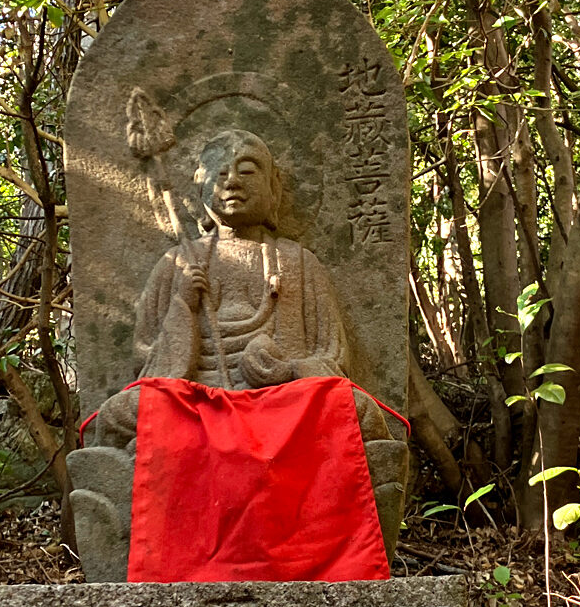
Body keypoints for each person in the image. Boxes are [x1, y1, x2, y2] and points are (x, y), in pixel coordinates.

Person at [94, 129, 392, 446]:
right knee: (118, 414)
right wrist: (183, 305)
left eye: (248, 171)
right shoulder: (177, 263)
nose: (233, 181)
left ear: (273, 188)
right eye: (220, 173)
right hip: (196, 401)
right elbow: (147, 358)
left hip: (282, 399)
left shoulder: (299, 263)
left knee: (357, 410)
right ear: (200, 185)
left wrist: (285, 368)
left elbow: (332, 354)